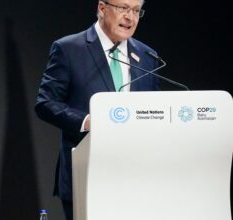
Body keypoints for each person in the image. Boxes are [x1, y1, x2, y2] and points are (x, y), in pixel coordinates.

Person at [35, 0, 160, 219]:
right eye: (123, 8)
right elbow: (46, 103)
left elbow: (155, 109)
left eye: (136, 11)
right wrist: (87, 122)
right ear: (102, 8)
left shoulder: (147, 56)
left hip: (136, 178)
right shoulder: (69, 48)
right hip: (87, 173)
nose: (130, 17)